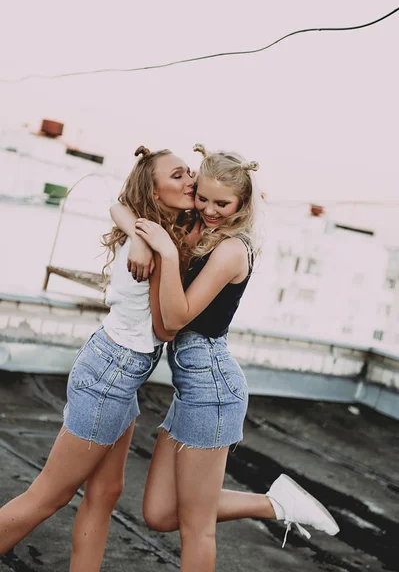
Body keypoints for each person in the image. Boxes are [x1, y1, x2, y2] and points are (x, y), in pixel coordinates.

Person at [116, 144, 340, 572]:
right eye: (203, 198)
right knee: (159, 513)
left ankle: (278, 503)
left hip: (213, 390)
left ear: (242, 203)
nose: (210, 209)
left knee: (196, 528)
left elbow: (174, 319)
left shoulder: (231, 250)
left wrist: (162, 250)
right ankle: (275, 503)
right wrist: (144, 243)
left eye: (223, 203)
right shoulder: (197, 230)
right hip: (191, 391)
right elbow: (121, 204)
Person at [0, 146, 196, 572]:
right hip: (112, 371)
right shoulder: (156, 245)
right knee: (49, 494)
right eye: (178, 176)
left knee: (106, 492)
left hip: (117, 368)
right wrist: (160, 251)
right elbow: (166, 328)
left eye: (190, 173)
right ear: (154, 190)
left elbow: (118, 205)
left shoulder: (152, 234)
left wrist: (150, 240)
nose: (189, 182)